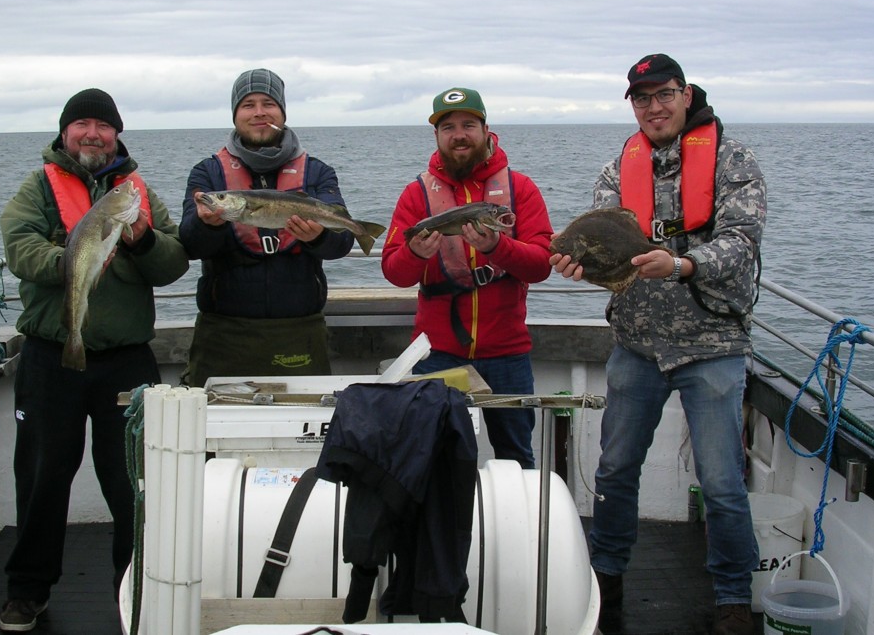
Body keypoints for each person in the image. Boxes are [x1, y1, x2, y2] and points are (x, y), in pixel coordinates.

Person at [551, 54, 766, 634]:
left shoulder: (733, 161)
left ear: (686, 94)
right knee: (617, 468)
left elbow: (742, 242)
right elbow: (600, 247)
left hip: (713, 346)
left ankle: (732, 596)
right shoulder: (616, 169)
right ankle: (607, 577)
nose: (654, 107)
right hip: (637, 346)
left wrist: (682, 263)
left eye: (664, 94)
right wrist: (576, 264)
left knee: (721, 482)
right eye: (641, 99)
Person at [0, 88, 190, 631]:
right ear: (64, 134)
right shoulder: (36, 188)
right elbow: (19, 247)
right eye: (81, 124)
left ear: (117, 134)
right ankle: (26, 590)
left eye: (102, 126)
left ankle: (133, 589)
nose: (91, 134)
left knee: (135, 481)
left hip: (127, 362)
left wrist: (140, 240)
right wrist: (77, 256)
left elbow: (173, 262)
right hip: (49, 358)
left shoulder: (139, 193)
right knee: (42, 477)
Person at [382, 87, 554, 469]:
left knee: (517, 457)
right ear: (437, 136)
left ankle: (512, 527)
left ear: (485, 129)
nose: (459, 134)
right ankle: (446, 530)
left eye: (468, 125)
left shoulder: (520, 189)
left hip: (508, 353)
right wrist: (414, 254)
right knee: (437, 459)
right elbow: (393, 271)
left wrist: (498, 247)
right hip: (437, 354)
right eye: (448, 127)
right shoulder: (416, 195)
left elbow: (542, 264)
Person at [179, 68, 354, 387]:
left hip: (300, 332)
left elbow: (341, 244)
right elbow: (190, 246)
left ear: (282, 112)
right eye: (248, 105)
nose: (259, 112)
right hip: (224, 334)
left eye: (268, 103)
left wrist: (320, 236)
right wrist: (208, 226)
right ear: (235, 115)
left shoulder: (317, 173)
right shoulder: (207, 175)